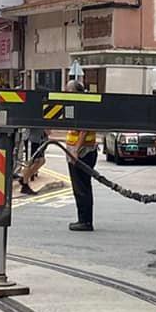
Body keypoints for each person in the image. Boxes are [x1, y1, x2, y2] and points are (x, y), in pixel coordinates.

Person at [65, 79, 101, 231]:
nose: (66, 93)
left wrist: (75, 150)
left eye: (68, 91)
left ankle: (85, 221)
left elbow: (84, 128)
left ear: (74, 92)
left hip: (82, 152)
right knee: (82, 187)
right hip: (83, 151)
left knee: (81, 188)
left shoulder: (83, 105)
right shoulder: (80, 104)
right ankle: (84, 219)